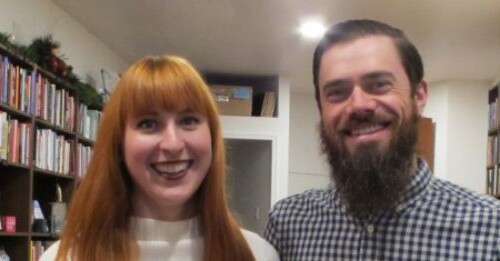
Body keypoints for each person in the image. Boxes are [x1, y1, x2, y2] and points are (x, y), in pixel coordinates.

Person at [264, 19, 500, 260]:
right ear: (320, 108)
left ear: (418, 96)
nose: (358, 106)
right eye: (337, 92)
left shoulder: (491, 230)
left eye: (379, 85)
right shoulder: (287, 225)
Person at [41, 55, 279, 261]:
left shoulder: (257, 255)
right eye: (148, 123)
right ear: (118, 144)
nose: (173, 144)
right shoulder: (65, 257)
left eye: (188, 121)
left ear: (212, 137)